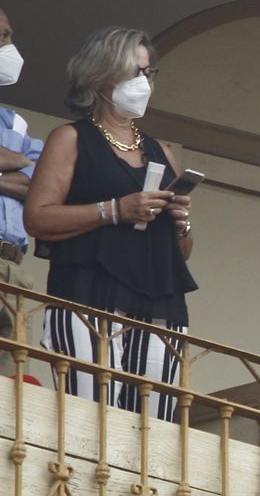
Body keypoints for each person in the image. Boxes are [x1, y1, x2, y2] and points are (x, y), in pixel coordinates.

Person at [23, 26, 195, 421]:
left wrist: (181, 223)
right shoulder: (71, 139)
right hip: (87, 294)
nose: (143, 83)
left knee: (154, 427)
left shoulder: (163, 152)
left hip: (159, 302)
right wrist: (116, 210)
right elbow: (38, 217)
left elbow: (182, 253)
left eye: (148, 73)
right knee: (93, 420)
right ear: (100, 76)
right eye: (133, 72)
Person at [0, 7, 42, 379]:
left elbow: (39, 182)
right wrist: (15, 165)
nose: (11, 46)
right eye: (3, 36)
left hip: (12, 268)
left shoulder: (15, 122)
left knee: (7, 391)